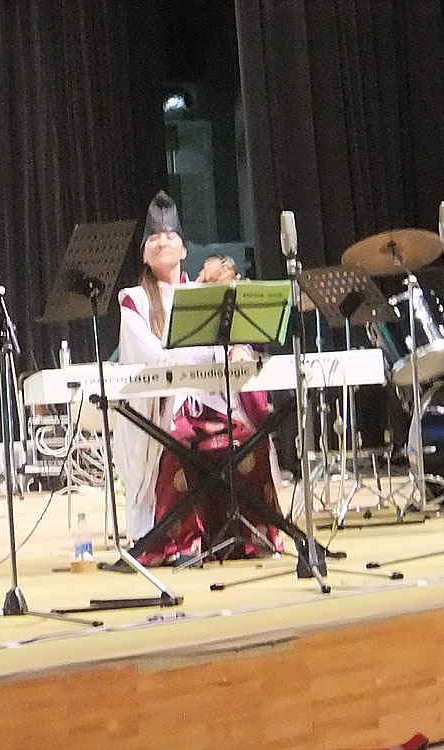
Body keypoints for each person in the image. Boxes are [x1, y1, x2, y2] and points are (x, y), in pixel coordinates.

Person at [112, 191, 280, 568]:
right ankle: (180, 541)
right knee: (177, 448)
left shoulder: (202, 294)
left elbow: (226, 342)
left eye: (170, 236)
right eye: (154, 237)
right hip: (166, 413)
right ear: (143, 254)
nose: (162, 242)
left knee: (247, 441)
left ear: (184, 249)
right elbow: (152, 357)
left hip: (208, 406)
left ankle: (244, 535)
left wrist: (239, 350)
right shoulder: (134, 301)